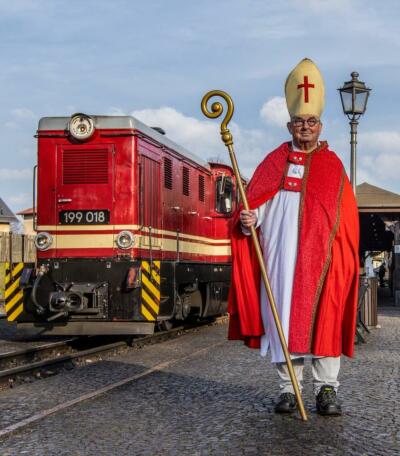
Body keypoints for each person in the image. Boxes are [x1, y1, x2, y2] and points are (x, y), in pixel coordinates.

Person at [228, 58, 359, 416]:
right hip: (281, 260)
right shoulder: (274, 162)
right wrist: (247, 220)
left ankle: (326, 389)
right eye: (299, 122)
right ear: (289, 125)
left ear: (320, 125)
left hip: (324, 263)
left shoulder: (333, 167)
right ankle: (288, 389)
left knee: (324, 322)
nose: (305, 127)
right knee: (283, 320)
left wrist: (341, 260)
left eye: (311, 122)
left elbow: (345, 222)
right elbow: (257, 207)